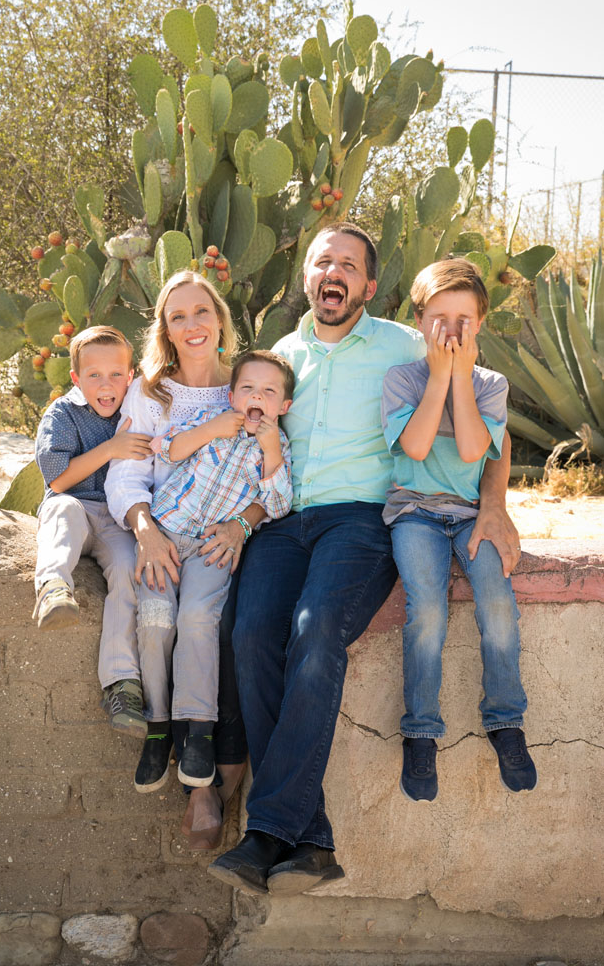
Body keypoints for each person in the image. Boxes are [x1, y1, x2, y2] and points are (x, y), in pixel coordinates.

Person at [209, 222, 523, 897]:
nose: (334, 272)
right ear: (305, 277)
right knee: (250, 634)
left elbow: (481, 414)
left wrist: (493, 506)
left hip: (360, 521)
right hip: (284, 522)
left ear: (369, 286)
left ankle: (267, 832)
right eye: (323, 260)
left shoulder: (405, 345)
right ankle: (310, 839)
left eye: (348, 265)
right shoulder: (282, 356)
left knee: (315, 631)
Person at [105, 270, 260, 848]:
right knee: (158, 618)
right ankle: (162, 732)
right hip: (161, 531)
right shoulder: (151, 393)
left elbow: (270, 472)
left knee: (207, 621)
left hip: (220, 538)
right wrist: (144, 529)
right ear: (165, 330)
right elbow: (129, 470)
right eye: (178, 317)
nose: (192, 325)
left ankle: (207, 759)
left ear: (220, 317)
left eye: (202, 312)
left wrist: (243, 526)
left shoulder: (243, 387)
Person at [381, 259, 536, 802]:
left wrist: (462, 378)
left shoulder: (492, 385)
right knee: (427, 610)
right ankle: (421, 729)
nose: (450, 330)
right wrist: (440, 377)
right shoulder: (402, 379)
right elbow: (417, 447)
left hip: (471, 513)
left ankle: (504, 719)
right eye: (439, 317)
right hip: (414, 512)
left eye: (463, 319)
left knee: (497, 605)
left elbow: (474, 450)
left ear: (481, 325)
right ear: (420, 321)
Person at [141, 349, 294, 790]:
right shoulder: (211, 418)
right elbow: (165, 450)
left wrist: (268, 450)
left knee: (197, 619)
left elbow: (279, 504)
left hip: (212, 548)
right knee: (156, 620)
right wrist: (211, 429)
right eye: (247, 388)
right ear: (231, 394)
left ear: (283, 407)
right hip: (166, 537)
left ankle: (199, 732)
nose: (256, 398)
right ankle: (157, 724)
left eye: (269, 392)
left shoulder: (277, 448)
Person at [33, 325, 153, 738]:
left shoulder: (137, 408)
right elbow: (58, 480)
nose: (107, 385)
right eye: (94, 375)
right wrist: (109, 449)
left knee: (127, 568)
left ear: (132, 374)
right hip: (76, 505)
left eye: (116, 374)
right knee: (62, 512)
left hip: (116, 517)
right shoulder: (62, 413)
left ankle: (121, 683)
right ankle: (52, 587)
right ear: (75, 379)